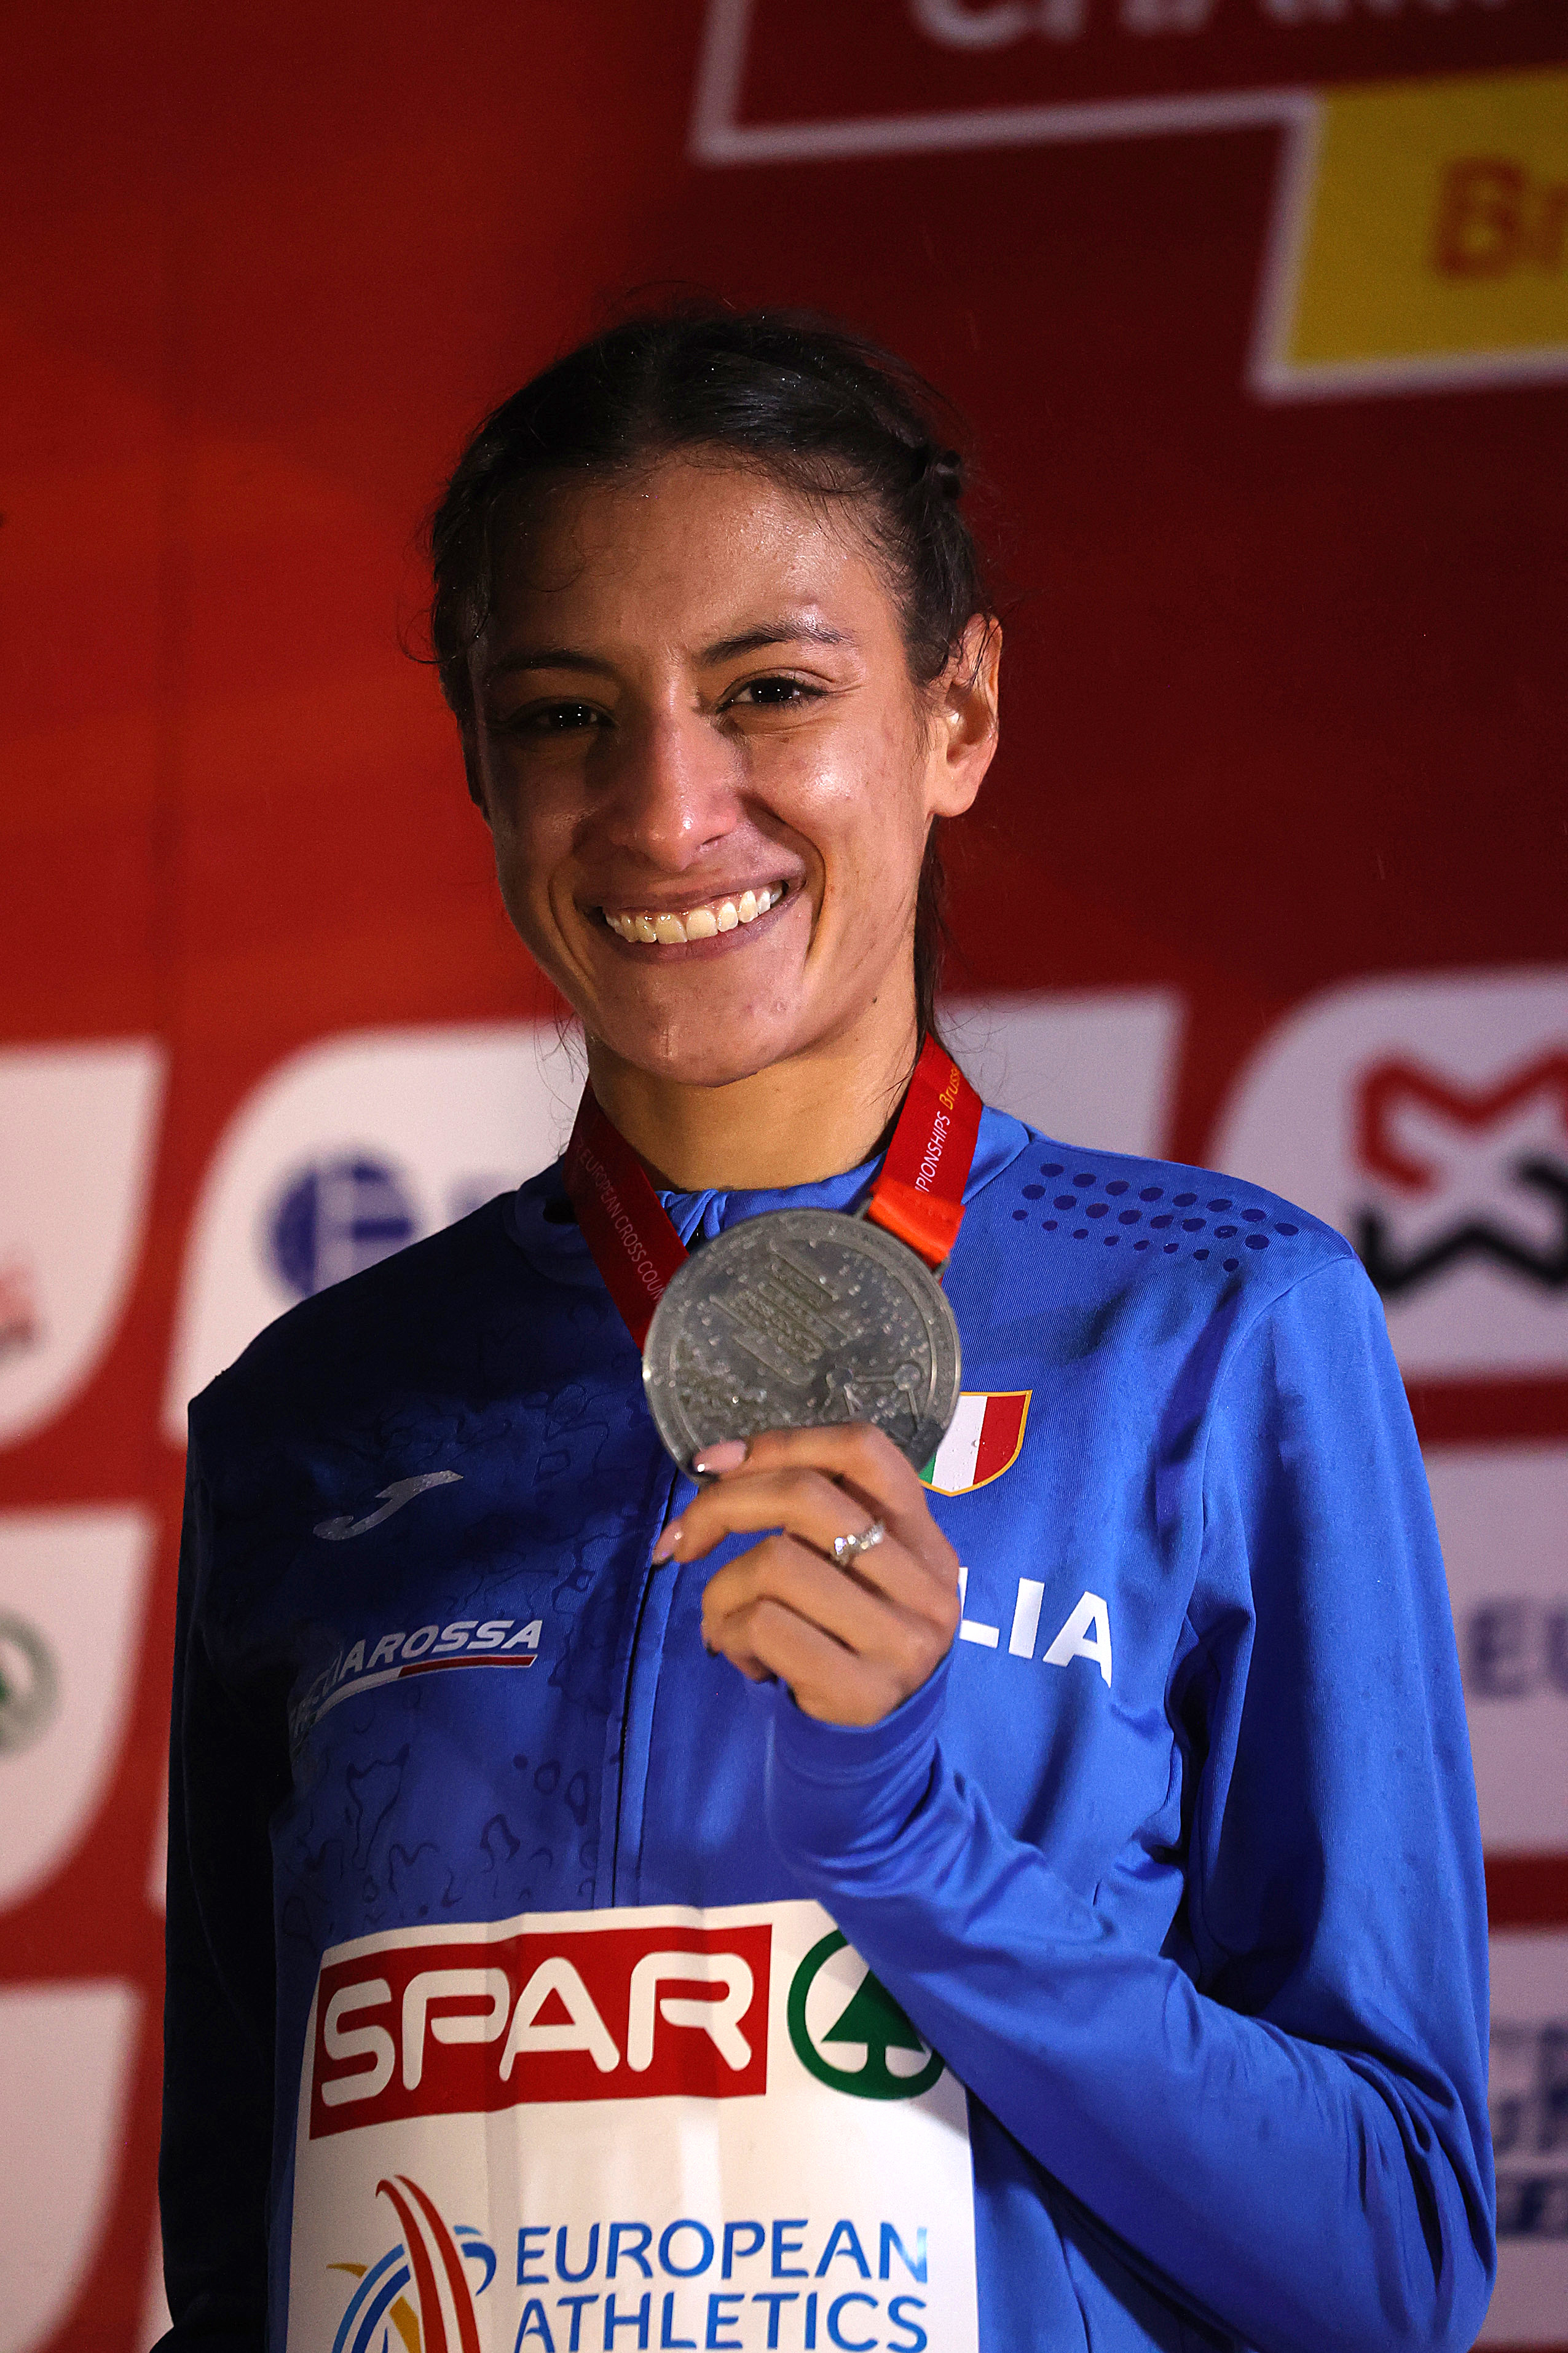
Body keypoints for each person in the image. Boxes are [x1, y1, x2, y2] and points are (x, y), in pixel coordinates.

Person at [158, 308, 1494, 2353]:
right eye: (564, 714)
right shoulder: (315, 1421)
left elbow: (1392, 2260)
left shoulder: (1213, 1330)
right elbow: (242, 2269)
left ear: (960, 714)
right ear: (481, 765)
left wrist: (916, 1847)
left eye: (769, 692)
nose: (667, 809)